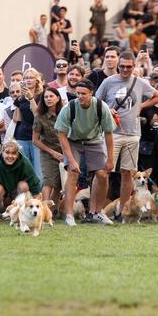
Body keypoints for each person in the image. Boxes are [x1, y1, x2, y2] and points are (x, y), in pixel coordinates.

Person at [96, 51, 158, 219]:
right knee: (104, 172)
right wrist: (107, 109)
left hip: (132, 134)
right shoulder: (108, 81)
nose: (125, 69)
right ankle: (96, 211)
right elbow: (96, 101)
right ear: (118, 65)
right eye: (122, 66)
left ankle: (123, 212)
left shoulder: (140, 82)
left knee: (127, 174)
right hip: (112, 133)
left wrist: (141, 106)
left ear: (134, 66)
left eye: (129, 67)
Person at [56, 79, 115, 226]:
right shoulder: (69, 107)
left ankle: (97, 212)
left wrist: (110, 158)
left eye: (84, 94)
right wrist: (71, 160)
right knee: (73, 173)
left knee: (102, 175)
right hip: (73, 141)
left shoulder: (101, 107)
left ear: (91, 93)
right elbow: (61, 134)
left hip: (94, 140)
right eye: (78, 94)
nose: (80, 97)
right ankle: (69, 215)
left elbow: (108, 133)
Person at [0, 140, 41, 225]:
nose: (10, 156)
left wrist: (40, 214)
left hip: (16, 195)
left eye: (14, 153)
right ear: (2, 152)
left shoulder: (24, 162)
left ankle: (21, 215)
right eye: (7, 152)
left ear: (18, 154)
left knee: (24, 186)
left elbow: (35, 186)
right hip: (0, 197)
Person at [32, 87, 63, 202]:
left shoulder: (65, 113)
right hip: (48, 153)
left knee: (60, 184)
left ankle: (53, 210)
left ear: (58, 98)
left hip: (66, 152)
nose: (48, 99)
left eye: (51, 96)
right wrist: (53, 153)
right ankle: (44, 209)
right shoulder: (40, 116)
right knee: (48, 181)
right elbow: (35, 140)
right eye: (46, 97)